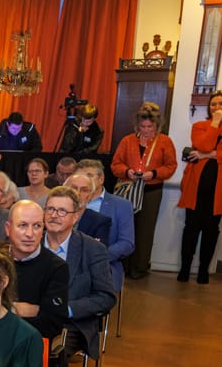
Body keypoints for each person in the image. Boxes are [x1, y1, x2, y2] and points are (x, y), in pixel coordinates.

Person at [177, 90, 222, 284]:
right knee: (191, 228)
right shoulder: (200, 126)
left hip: (220, 189)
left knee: (211, 229)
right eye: (213, 104)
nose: (217, 107)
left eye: (221, 104)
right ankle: (184, 269)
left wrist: (207, 155)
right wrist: (215, 124)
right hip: (196, 186)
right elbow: (203, 145)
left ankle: (203, 271)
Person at [43, 188, 116, 360]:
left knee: (45, 354)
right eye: (50, 209)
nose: (54, 215)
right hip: (31, 319)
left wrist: (67, 309)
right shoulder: (31, 243)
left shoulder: (92, 249)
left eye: (62, 211)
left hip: (70, 325)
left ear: (75, 217)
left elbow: (105, 297)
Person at [111, 102, 178, 279]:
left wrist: (154, 173)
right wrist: (127, 172)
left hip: (151, 191)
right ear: (137, 125)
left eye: (150, 127)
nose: (146, 130)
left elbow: (171, 167)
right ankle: (123, 265)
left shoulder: (165, 141)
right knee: (125, 228)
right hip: (129, 190)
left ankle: (139, 267)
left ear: (157, 126)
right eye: (143, 126)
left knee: (145, 230)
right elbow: (115, 164)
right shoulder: (127, 141)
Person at [5, 200, 69, 340]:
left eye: (37, 226)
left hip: (30, 344)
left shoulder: (56, 268)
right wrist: (14, 310)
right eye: (22, 225)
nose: (30, 234)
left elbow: (51, 324)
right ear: (8, 229)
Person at [73, 159, 135, 292]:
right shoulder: (65, 203)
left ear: (101, 179)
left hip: (104, 265)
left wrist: (96, 258)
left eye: (89, 175)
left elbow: (126, 243)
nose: (85, 180)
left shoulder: (121, 206)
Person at [63, 171, 113, 247]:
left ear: (90, 196)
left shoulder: (100, 222)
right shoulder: (49, 215)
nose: (77, 193)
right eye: (73, 188)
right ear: (63, 191)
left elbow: (97, 253)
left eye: (84, 190)